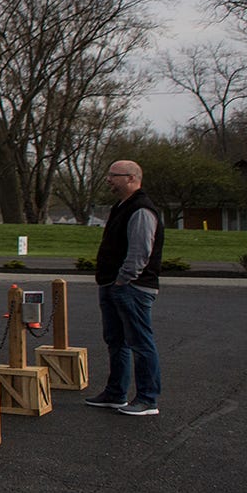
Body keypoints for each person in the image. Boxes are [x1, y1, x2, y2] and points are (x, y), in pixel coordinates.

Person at [86, 159, 164, 416]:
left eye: (114, 175)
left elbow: (140, 251)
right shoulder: (121, 206)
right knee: (116, 341)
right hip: (112, 284)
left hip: (132, 287)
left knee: (140, 342)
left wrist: (123, 279)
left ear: (131, 178)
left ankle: (147, 398)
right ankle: (116, 393)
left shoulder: (140, 209)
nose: (108, 179)